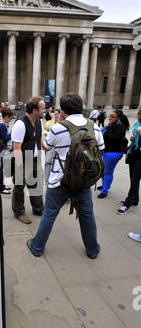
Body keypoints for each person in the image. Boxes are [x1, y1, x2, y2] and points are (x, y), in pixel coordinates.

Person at [27, 93, 104, 259]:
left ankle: (37, 246)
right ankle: (92, 250)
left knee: (49, 214)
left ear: (63, 111)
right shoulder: (94, 126)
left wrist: (41, 130)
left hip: (59, 180)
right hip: (83, 180)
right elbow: (101, 150)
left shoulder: (58, 128)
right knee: (87, 215)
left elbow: (45, 147)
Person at [11, 96, 45, 224]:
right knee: (20, 186)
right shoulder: (20, 124)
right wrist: (20, 168)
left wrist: (48, 147)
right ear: (35, 110)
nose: (44, 110)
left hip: (35, 158)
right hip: (23, 160)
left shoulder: (39, 122)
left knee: (36, 183)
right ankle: (19, 211)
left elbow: (39, 140)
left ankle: (38, 208)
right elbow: (17, 148)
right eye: (42, 108)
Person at [97, 109, 130, 198]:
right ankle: (105, 186)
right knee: (104, 171)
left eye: (113, 117)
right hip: (107, 151)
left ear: (118, 118)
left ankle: (105, 190)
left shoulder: (120, 127)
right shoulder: (111, 126)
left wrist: (110, 127)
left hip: (114, 153)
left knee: (108, 172)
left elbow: (114, 139)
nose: (110, 118)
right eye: (110, 116)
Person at [117, 106, 141, 214]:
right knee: (133, 178)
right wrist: (133, 138)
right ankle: (135, 199)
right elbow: (135, 137)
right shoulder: (138, 123)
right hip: (134, 152)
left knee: (135, 179)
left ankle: (127, 203)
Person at [0, 107, 14, 194]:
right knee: (3, 169)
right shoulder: (2, 126)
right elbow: (5, 138)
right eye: (10, 118)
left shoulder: (2, 125)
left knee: (2, 168)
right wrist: (13, 132)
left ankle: (2, 185)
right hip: (3, 150)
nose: (10, 120)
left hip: (1, 149)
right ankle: (0, 187)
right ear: (6, 117)